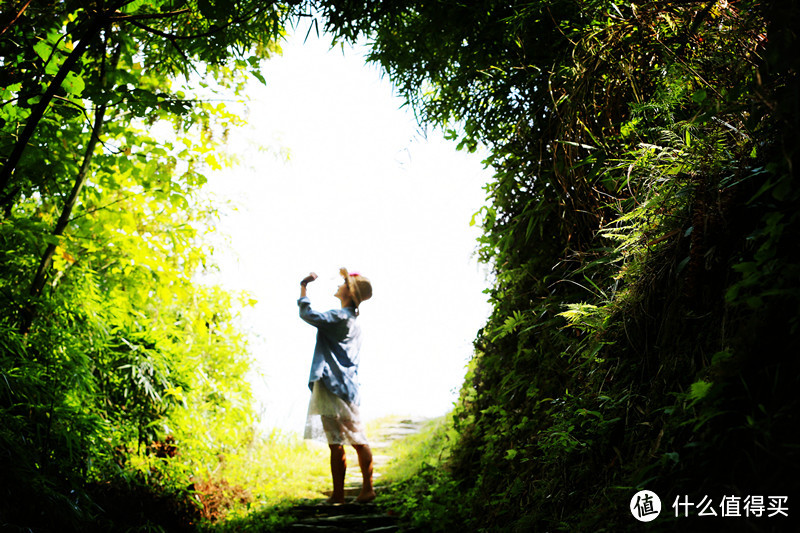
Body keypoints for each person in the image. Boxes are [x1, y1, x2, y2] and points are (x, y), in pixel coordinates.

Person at [298, 267, 375, 504]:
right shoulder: (352, 322)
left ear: (349, 294)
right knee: (346, 440)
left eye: (343, 284)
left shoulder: (339, 317)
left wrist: (303, 286)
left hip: (333, 384)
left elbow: (309, 315)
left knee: (344, 440)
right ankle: (343, 494)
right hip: (343, 385)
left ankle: (360, 491)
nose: (339, 286)